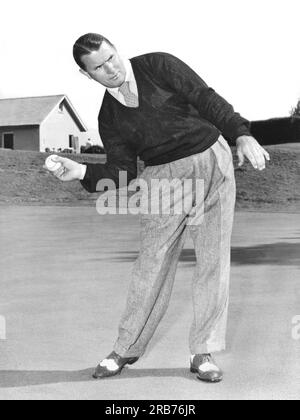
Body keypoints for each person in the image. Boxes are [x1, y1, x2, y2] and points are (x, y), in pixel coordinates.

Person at [51, 33, 270, 383]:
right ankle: (125, 347)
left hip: (211, 159)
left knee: (213, 261)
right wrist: (81, 172)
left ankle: (203, 351)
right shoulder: (109, 116)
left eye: (111, 58)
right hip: (162, 178)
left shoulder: (158, 65)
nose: (110, 69)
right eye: (98, 67)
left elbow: (205, 97)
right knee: (150, 264)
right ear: (86, 75)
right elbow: (121, 170)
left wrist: (240, 132)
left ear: (116, 50)